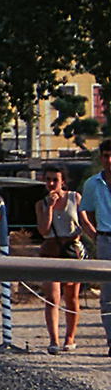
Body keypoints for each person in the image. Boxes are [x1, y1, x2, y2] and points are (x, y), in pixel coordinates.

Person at [35, 163, 83, 354]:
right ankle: (53, 340)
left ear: (63, 181)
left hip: (71, 249)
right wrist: (50, 207)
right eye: (48, 179)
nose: (52, 183)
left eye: (55, 179)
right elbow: (43, 230)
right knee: (52, 297)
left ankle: (70, 338)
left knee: (71, 297)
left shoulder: (75, 198)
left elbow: (83, 221)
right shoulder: (41, 204)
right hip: (50, 249)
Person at [80, 139, 111, 356]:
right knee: (107, 293)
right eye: (106, 155)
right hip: (106, 240)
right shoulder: (92, 184)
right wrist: (96, 234)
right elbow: (87, 212)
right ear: (101, 158)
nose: (110, 160)